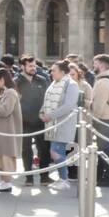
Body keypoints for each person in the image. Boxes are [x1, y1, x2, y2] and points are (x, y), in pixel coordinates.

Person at [40, 60, 80, 188]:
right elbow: (47, 101)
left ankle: (64, 179)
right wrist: (42, 112)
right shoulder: (54, 84)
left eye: (54, 70)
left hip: (63, 124)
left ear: (62, 72)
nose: (51, 72)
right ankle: (63, 178)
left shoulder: (71, 85)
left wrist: (50, 116)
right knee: (57, 152)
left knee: (56, 152)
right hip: (53, 125)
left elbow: (68, 105)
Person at [15, 55, 53, 185]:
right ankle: (29, 178)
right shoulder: (16, 82)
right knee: (26, 150)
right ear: (22, 66)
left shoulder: (42, 80)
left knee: (44, 149)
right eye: (30, 66)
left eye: (34, 66)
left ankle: (44, 177)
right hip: (24, 121)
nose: (33, 68)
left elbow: (48, 99)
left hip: (41, 121)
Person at [89, 54, 109, 188]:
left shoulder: (103, 82)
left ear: (101, 65)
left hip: (104, 120)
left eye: (95, 63)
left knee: (105, 149)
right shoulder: (107, 79)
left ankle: (107, 177)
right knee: (104, 149)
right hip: (107, 119)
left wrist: (93, 120)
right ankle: (102, 175)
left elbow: (99, 106)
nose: (93, 66)